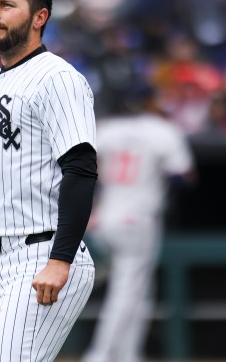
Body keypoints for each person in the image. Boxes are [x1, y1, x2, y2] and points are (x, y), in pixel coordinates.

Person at [0, 0, 98, 362]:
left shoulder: (57, 78)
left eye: (7, 5)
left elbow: (81, 170)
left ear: (39, 17)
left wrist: (60, 259)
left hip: (43, 253)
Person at [81, 84, 194, 362]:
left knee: (140, 291)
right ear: (148, 101)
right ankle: (100, 355)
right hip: (137, 220)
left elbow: (81, 169)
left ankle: (130, 355)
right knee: (127, 290)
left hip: (105, 219)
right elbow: (183, 176)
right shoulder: (162, 130)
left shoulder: (106, 129)